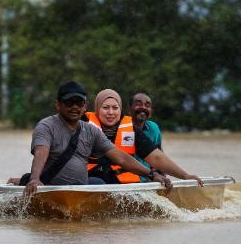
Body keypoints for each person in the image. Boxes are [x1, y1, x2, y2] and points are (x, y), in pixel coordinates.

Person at [11, 81, 171, 197]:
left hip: (81, 188)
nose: (74, 107)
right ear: (58, 105)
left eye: (78, 102)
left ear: (84, 106)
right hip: (52, 186)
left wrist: (152, 175)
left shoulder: (91, 130)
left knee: (99, 184)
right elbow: (41, 152)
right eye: (69, 102)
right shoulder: (46, 126)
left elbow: (121, 158)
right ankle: (24, 180)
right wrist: (34, 179)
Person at [84, 89, 203, 186]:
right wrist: (151, 174)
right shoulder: (83, 125)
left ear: (120, 110)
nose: (111, 112)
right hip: (92, 181)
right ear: (97, 109)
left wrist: (185, 176)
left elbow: (156, 157)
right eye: (105, 108)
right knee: (97, 182)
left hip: (122, 183)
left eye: (115, 108)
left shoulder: (131, 129)